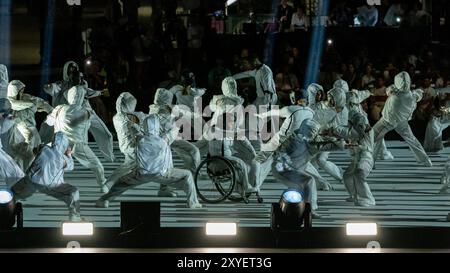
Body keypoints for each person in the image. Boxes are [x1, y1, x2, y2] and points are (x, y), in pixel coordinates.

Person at [96, 115, 202, 209]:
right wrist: (178, 121)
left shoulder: (140, 138)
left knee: (120, 183)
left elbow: (134, 129)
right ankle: (192, 202)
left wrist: (130, 122)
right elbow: (173, 131)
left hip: (141, 174)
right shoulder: (164, 140)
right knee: (187, 175)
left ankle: (103, 200)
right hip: (163, 174)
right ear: (157, 127)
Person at [271, 118, 346, 218]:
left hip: (295, 167)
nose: (313, 134)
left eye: (314, 132)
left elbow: (333, 146)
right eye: (312, 132)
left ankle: (287, 210)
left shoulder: (308, 141)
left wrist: (335, 139)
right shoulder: (293, 139)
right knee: (309, 181)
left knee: (299, 185)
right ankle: (309, 210)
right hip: (283, 168)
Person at [42, 61, 114, 161]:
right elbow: (48, 88)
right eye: (71, 69)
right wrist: (55, 86)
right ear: (67, 72)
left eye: (76, 69)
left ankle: (109, 157)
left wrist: (101, 92)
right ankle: (47, 154)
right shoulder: (61, 85)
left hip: (86, 112)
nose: (74, 71)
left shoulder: (83, 84)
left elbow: (89, 92)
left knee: (106, 135)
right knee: (53, 134)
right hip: (68, 115)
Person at [45, 86, 108, 192]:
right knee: (97, 165)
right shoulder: (86, 111)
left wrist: (50, 113)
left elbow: (49, 122)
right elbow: (93, 126)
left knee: (53, 162)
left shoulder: (59, 108)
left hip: (60, 144)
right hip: (78, 145)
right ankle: (103, 185)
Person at [11, 132, 82, 221]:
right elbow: (71, 166)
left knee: (12, 194)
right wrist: (69, 154)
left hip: (30, 181)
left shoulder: (44, 148)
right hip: (49, 186)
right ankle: (74, 216)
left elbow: (35, 151)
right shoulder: (63, 159)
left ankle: (6, 210)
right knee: (74, 192)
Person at [372, 72, 432, 167]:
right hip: (402, 122)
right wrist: (417, 92)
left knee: (373, 137)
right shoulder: (412, 96)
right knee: (412, 140)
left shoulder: (395, 94)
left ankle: (370, 162)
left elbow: (388, 90)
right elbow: (418, 95)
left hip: (387, 121)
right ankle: (425, 160)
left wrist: (392, 88)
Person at [149, 88, 201, 197]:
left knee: (194, 150)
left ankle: (191, 175)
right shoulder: (159, 110)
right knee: (167, 165)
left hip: (170, 138)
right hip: (162, 141)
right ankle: (166, 188)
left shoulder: (158, 108)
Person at [328, 111, 376, 207]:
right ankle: (354, 195)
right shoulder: (354, 131)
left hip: (366, 157)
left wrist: (333, 130)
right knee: (347, 176)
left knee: (359, 174)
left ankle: (368, 199)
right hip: (357, 158)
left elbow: (346, 132)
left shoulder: (364, 130)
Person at [7, 80, 53, 170]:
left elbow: (39, 101)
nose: (22, 92)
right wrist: (32, 108)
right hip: (19, 131)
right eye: (20, 91)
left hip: (31, 130)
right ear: (14, 91)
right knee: (27, 154)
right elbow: (15, 117)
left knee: (36, 152)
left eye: (22, 90)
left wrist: (50, 110)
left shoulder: (26, 98)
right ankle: (25, 174)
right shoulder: (8, 104)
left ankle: (32, 173)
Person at [104, 92, 146, 189]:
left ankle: (123, 182)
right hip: (132, 146)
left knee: (131, 166)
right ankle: (109, 183)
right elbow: (137, 129)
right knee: (128, 165)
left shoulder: (117, 117)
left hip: (125, 145)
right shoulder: (130, 117)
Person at [0, 98, 25, 187]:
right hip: (5, 150)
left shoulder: (7, 120)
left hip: (8, 148)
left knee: (15, 172)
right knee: (15, 173)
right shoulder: (7, 121)